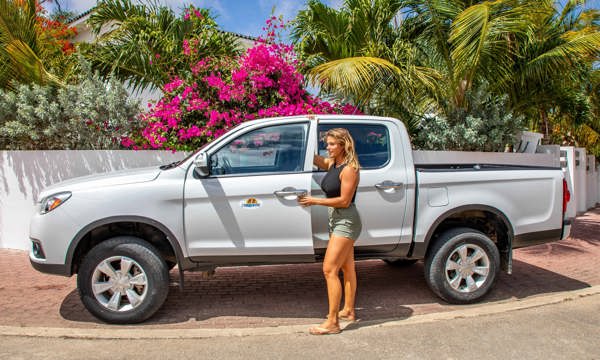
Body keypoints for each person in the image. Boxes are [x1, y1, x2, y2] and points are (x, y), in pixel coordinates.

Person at [298, 128, 362, 335]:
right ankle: (349, 311)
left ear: (344, 145)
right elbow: (313, 157)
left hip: (346, 221)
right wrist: (303, 134)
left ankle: (332, 322)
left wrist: (314, 200)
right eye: (328, 144)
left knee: (329, 270)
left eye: (333, 144)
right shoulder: (332, 164)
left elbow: (344, 201)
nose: (328, 147)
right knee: (347, 268)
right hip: (337, 220)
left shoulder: (349, 169)